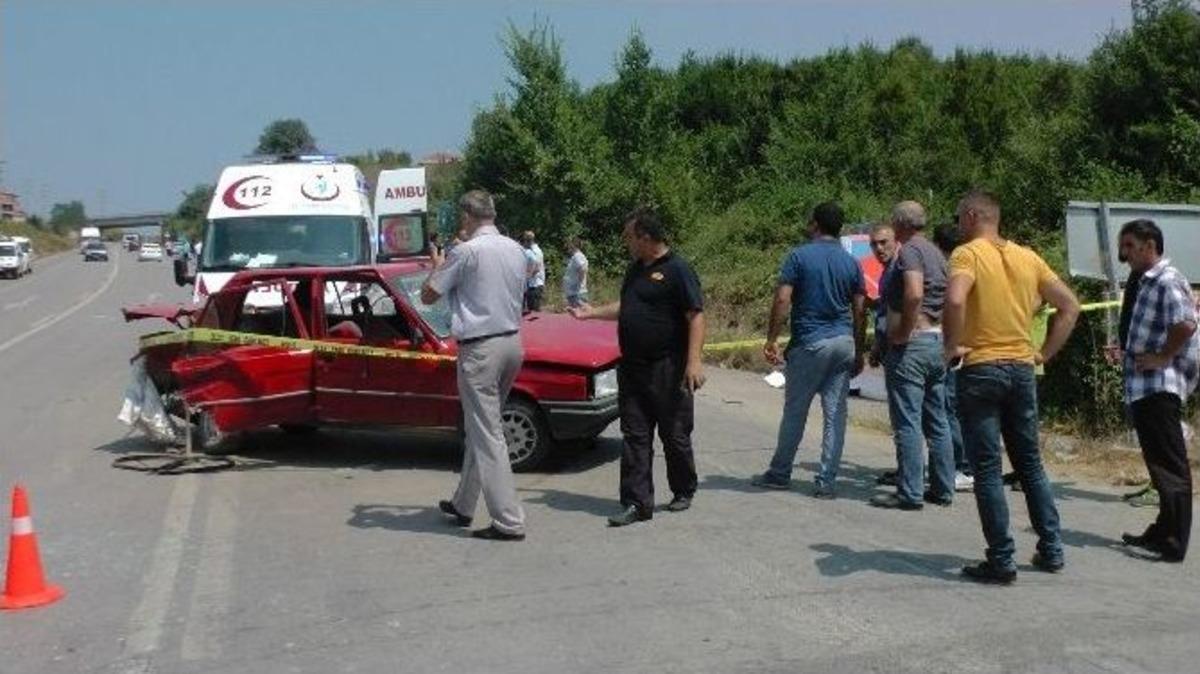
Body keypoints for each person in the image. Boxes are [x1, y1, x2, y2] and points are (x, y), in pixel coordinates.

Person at [943, 189, 1080, 583]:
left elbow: (954, 300)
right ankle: (1051, 549)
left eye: (958, 218)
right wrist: (1044, 353)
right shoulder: (1028, 256)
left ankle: (1001, 560)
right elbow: (1069, 306)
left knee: (986, 469)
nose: (957, 225)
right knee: (1030, 464)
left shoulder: (967, 254)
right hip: (1021, 368)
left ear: (972, 215)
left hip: (982, 368)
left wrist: (951, 346)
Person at [570, 208, 705, 526]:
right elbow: (628, 306)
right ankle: (636, 502)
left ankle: (683, 489)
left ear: (645, 237)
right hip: (632, 367)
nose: (626, 243)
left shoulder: (678, 270)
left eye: (629, 237)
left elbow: (696, 315)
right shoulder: (635, 270)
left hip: (668, 368)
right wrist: (591, 313)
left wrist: (694, 361)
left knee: (674, 435)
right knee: (635, 434)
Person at [422, 190, 528, 541]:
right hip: (512, 341)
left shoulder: (465, 252)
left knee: (487, 433)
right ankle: (464, 503)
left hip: (480, 348)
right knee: (481, 427)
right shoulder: (515, 248)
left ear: (467, 216)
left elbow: (428, 295)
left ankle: (508, 520)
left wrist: (438, 266)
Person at [751, 201, 866, 499]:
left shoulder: (799, 256)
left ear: (815, 224)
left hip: (810, 343)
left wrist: (772, 338)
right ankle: (826, 482)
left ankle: (779, 473)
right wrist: (860, 349)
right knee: (835, 415)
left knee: (795, 412)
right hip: (843, 342)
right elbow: (860, 308)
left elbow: (782, 300)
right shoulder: (851, 262)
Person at [1113, 219, 1197, 563]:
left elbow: (1186, 324)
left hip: (1161, 386)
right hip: (1143, 385)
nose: (1125, 254)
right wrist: (1126, 351)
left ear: (1150, 245)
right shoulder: (1145, 281)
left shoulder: (1167, 279)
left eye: (1130, 246)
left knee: (1170, 466)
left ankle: (1175, 541)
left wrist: (1163, 357)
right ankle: (1163, 531)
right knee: (1159, 464)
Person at [871, 201, 955, 510]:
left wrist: (904, 332)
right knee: (938, 421)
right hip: (936, 342)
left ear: (899, 223)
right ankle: (943, 488)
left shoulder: (908, 252)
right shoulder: (936, 252)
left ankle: (910, 492)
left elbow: (915, 293)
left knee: (907, 423)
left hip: (914, 345)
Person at [933, 222, 973, 493]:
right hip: (968, 346)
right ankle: (962, 464)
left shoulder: (951, 272)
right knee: (958, 410)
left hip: (955, 347)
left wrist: (951, 346)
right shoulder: (967, 268)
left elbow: (953, 307)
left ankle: (958, 466)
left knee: (949, 410)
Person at [521, 230, 546, 312]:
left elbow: (536, 268)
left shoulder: (534, 251)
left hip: (535, 285)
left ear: (527, 240)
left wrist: (526, 277)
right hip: (532, 285)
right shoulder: (532, 250)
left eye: (524, 240)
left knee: (533, 314)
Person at [562, 237, 590, 308]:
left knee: (580, 315)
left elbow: (583, 269)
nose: (567, 246)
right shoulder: (576, 256)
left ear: (573, 245)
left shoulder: (577, 256)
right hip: (574, 293)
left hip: (577, 293)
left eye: (569, 244)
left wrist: (577, 285)